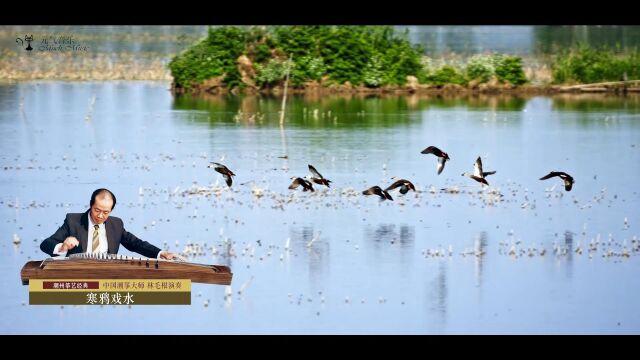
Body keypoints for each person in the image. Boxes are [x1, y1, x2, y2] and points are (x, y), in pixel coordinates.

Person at [40, 188, 183, 260]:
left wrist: (161, 253)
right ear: (90, 205)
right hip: (79, 273)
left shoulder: (116, 224)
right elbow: (46, 243)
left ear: (111, 210)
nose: (101, 216)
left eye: (106, 212)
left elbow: (135, 244)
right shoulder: (73, 221)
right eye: (97, 210)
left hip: (107, 275)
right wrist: (63, 246)